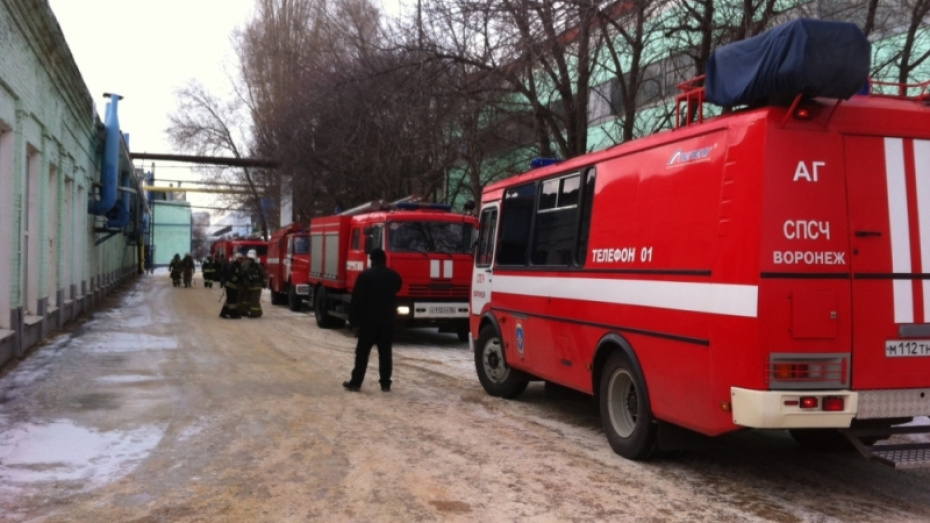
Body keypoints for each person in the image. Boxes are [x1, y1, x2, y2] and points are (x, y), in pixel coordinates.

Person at [343, 248, 403, 392]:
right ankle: (385, 384)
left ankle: (356, 382)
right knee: (385, 354)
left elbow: (357, 299)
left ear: (372, 260)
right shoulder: (394, 276)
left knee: (362, 353)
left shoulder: (365, 276)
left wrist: (353, 320)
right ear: (384, 260)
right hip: (387, 321)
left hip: (368, 322)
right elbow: (398, 288)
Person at [219, 253, 243, 319]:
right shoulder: (233, 266)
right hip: (230, 285)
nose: (240, 260)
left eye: (241, 259)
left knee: (229, 300)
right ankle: (233, 315)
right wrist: (237, 279)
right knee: (232, 301)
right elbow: (229, 276)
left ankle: (223, 313)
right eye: (239, 259)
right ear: (235, 258)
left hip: (234, 286)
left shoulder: (238, 266)